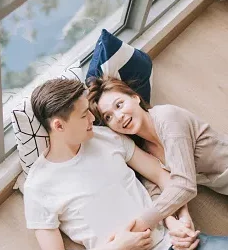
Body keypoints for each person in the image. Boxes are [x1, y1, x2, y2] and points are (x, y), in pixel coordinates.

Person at [24, 78, 228, 250]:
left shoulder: (106, 138)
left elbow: (162, 176)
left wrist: (176, 220)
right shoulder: (37, 186)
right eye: (85, 115)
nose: (93, 120)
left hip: (177, 247)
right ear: (59, 126)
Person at [87, 75, 228, 224]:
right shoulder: (143, 150)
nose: (119, 116)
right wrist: (174, 222)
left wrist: (142, 223)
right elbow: (155, 193)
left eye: (119, 105)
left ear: (135, 97)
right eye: (108, 117)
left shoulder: (168, 118)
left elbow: (185, 184)